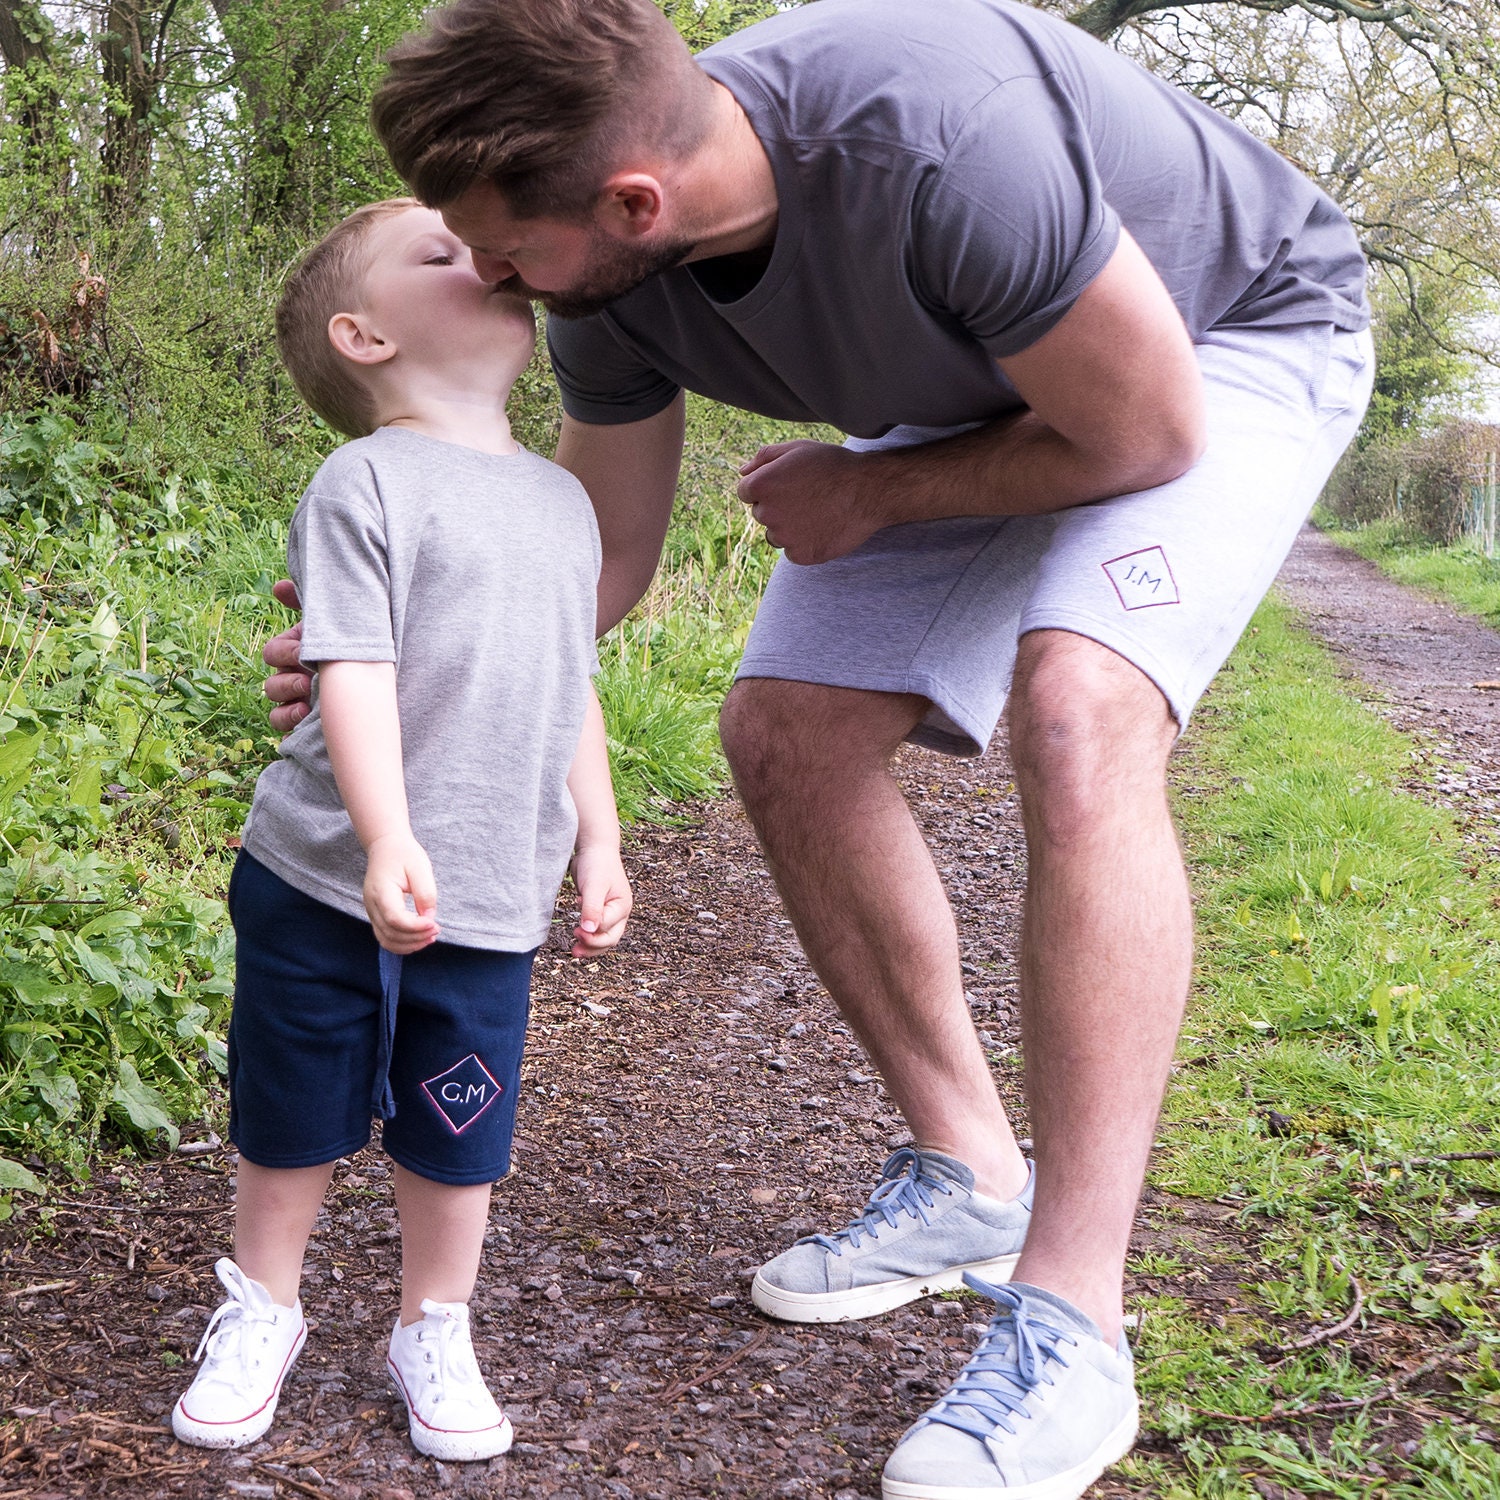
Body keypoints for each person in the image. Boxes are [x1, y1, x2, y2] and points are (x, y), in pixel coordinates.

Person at [263, 0, 1373, 1492]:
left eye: (505, 253)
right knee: (785, 728)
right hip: (986, 384)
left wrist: (873, 495)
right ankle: (970, 1173)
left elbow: (1142, 437)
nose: (491, 279)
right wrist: (389, 649)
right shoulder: (603, 286)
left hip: (1207, 347)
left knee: (1078, 709)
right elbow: (596, 565)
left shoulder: (942, 148)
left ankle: (1072, 1322)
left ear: (634, 206)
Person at [177, 198, 631, 1462]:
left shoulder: (563, 502)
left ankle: (435, 1324)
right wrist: (385, 836)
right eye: (440, 253)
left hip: (491, 885)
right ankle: (263, 1306)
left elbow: (571, 685)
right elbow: (354, 667)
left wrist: (597, 837)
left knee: (460, 1117)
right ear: (364, 336)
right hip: (324, 870)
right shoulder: (363, 481)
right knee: (293, 1095)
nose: (483, 257)